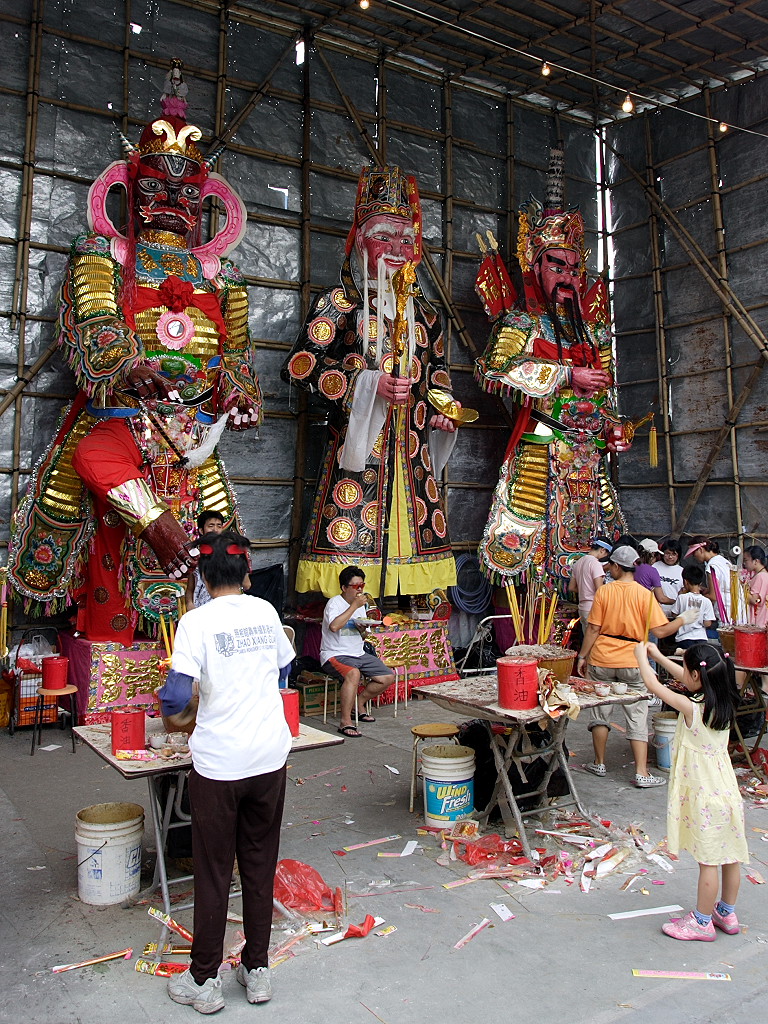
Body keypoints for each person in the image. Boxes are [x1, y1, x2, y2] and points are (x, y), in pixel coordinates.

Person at [8, 62, 261, 644]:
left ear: (205, 200)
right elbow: (94, 317)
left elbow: (238, 354)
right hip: (124, 418)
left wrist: (239, 396)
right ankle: (114, 660)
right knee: (106, 530)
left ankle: (196, 658)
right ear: (128, 188)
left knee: (213, 551)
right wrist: (126, 364)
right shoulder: (105, 255)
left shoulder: (223, 277)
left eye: (185, 191)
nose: (170, 199)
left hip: (194, 439)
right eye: (155, 187)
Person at [282, 165, 459, 600]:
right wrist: (364, 383)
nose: (397, 249)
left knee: (416, 520)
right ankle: (351, 607)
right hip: (359, 446)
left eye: (407, 240)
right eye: (385, 237)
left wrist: (443, 409)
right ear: (360, 240)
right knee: (353, 525)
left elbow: (437, 373)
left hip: (412, 448)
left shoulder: (426, 315)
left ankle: (413, 600)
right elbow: (301, 366)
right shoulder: (341, 303)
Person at [474, 142, 631, 590]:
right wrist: (564, 374)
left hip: (589, 460)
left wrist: (615, 429)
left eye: (575, 269)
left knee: (597, 548)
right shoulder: (521, 322)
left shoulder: (595, 333)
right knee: (532, 552)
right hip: (541, 449)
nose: (567, 277)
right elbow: (491, 369)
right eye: (557, 265)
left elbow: (607, 397)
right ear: (536, 264)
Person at [158, 531, 295, 1012]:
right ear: (246, 572)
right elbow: (283, 671)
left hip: (219, 765)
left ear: (202, 574)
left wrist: (178, 709)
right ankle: (257, 971)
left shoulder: (195, 622)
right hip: (269, 757)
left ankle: (203, 979)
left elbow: (176, 696)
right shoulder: (266, 612)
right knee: (258, 864)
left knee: (215, 871)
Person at [635, 641, 748, 941]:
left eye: (686, 669)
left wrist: (641, 658)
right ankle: (726, 912)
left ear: (697, 676)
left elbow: (653, 685)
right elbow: (689, 678)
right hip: (727, 792)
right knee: (731, 856)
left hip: (704, 796)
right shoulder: (724, 702)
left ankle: (701, 921)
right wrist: (658, 655)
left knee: (708, 861)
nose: (684, 674)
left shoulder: (692, 709)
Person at [576, 544, 699, 787]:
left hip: (602, 658)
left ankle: (599, 763)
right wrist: (682, 620)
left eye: (610, 566)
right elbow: (660, 631)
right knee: (637, 715)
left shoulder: (605, 592)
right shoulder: (644, 594)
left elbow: (593, 629)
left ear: (616, 567)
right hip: (634, 660)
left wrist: (582, 656)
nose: (609, 569)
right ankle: (642, 772)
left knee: (600, 713)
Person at [320, 566, 395, 737]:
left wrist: (362, 630)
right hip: (335, 653)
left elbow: (363, 636)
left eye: (362, 585)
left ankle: (359, 703)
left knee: (387, 677)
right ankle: (345, 721)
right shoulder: (334, 603)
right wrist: (353, 606)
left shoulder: (361, 606)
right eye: (355, 586)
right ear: (344, 588)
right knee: (353, 674)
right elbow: (334, 627)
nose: (360, 590)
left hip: (358, 653)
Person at [567, 536, 612, 633]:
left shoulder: (578, 563)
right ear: (602, 550)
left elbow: (571, 587)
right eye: (606, 554)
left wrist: (585, 591)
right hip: (593, 609)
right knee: (596, 640)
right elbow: (600, 589)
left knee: (587, 638)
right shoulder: (595, 564)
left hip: (582, 609)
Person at [687, 537, 735, 625]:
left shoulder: (712, 566)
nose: (694, 556)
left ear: (701, 550)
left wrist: (696, 594)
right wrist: (707, 590)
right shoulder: (724, 561)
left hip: (725, 613)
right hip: (735, 609)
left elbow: (713, 596)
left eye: (694, 553)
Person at [185, 510, 225, 609]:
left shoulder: (228, 554)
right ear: (201, 530)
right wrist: (190, 604)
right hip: (201, 608)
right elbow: (190, 588)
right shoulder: (195, 555)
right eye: (211, 526)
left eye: (219, 526)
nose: (215, 530)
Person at [670, 566, 715, 650]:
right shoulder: (706, 601)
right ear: (700, 583)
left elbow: (674, 614)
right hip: (701, 638)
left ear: (685, 582)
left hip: (684, 637)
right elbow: (708, 623)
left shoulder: (682, 597)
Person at [634, 541, 675, 607]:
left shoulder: (631, 566)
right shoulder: (652, 571)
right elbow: (661, 598)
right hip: (645, 605)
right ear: (652, 555)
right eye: (656, 555)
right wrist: (676, 601)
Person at [742, 544, 768, 627]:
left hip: (758, 621)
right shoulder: (763, 575)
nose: (744, 563)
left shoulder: (760, 576)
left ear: (756, 561)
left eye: (746, 560)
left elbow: (755, 600)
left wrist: (741, 588)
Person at [657, 539, 684, 604]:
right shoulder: (655, 567)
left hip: (675, 608)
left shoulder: (682, 571)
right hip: (656, 608)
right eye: (667, 553)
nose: (670, 557)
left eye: (674, 554)